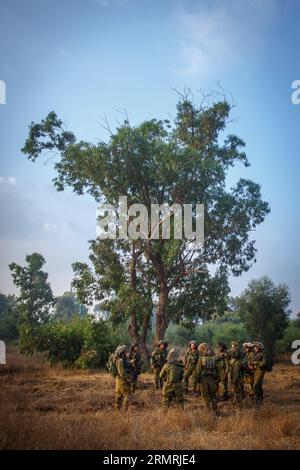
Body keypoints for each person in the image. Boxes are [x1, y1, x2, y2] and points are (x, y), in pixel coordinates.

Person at [194, 343, 218, 415]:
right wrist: (217, 379)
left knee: (205, 396)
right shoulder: (214, 358)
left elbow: (198, 370)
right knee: (213, 395)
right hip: (212, 379)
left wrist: (196, 380)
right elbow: (217, 369)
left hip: (204, 379)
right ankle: (215, 409)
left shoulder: (202, 358)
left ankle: (209, 411)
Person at [114, 345, 134, 411]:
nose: (127, 353)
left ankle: (117, 410)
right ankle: (125, 411)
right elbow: (122, 373)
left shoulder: (120, 360)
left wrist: (130, 363)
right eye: (125, 352)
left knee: (119, 396)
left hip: (118, 380)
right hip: (122, 380)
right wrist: (129, 376)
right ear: (122, 353)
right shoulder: (120, 361)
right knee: (128, 394)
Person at [250, 341, 268, 405]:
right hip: (256, 371)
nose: (255, 348)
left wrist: (256, 363)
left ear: (260, 348)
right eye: (255, 347)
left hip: (261, 371)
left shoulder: (263, 354)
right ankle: (261, 399)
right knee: (259, 385)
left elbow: (264, 363)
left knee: (256, 385)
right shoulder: (257, 354)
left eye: (256, 347)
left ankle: (257, 399)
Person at [228, 341, 244, 408]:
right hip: (238, 378)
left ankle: (238, 406)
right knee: (236, 391)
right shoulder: (237, 360)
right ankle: (235, 402)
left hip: (237, 379)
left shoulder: (237, 362)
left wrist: (234, 382)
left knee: (237, 392)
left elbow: (236, 373)